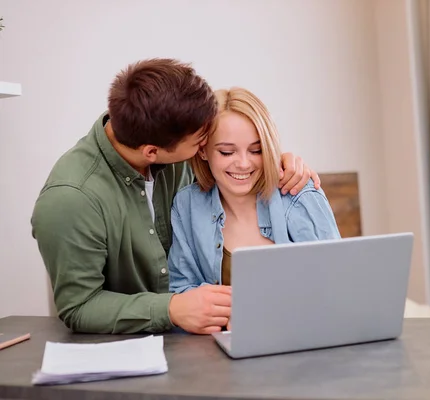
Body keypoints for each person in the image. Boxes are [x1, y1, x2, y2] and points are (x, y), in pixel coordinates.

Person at [30, 59, 321, 335]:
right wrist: (170, 308)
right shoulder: (70, 200)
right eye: (201, 143)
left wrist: (276, 158)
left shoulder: (171, 134)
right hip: (132, 350)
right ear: (152, 152)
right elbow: (79, 306)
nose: (206, 144)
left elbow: (235, 157)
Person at [167, 87, 341, 333]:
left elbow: (336, 286)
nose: (244, 163)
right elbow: (182, 289)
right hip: (222, 355)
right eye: (227, 152)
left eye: (256, 150)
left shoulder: (299, 194)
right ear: (203, 150)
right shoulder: (187, 205)